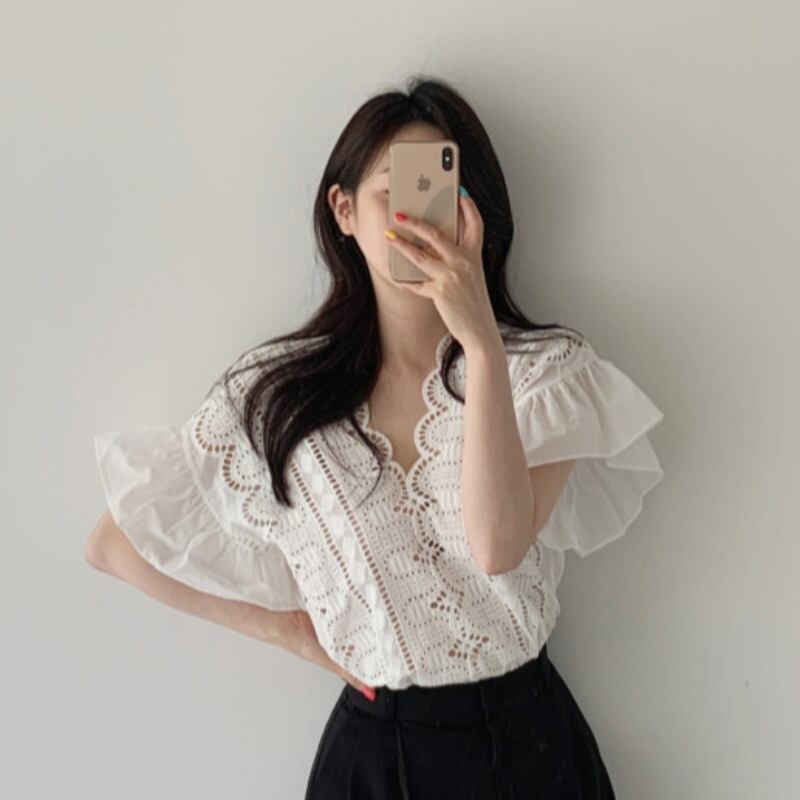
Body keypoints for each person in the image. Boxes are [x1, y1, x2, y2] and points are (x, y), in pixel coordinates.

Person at [85, 76, 665, 799]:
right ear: (344, 210)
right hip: (374, 757)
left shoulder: (545, 375)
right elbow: (114, 545)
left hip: (527, 744)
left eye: (442, 192)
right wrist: (294, 634)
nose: (422, 218)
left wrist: (482, 346)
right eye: (398, 191)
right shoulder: (276, 397)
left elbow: (496, 546)